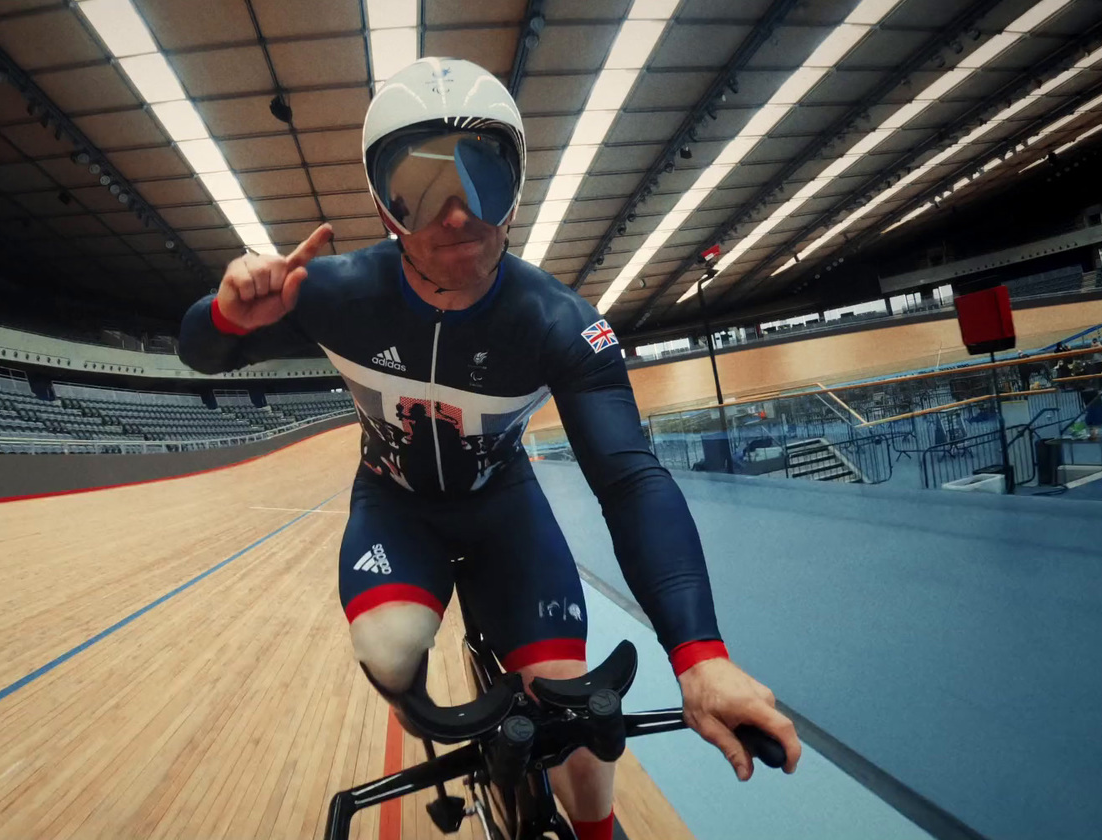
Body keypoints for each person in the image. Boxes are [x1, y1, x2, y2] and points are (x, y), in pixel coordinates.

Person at [178, 57, 799, 839]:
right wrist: (233, 312)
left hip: (506, 513)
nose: (459, 214)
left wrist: (699, 654)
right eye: (424, 188)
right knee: (391, 645)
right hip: (397, 509)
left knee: (570, 708)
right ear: (383, 204)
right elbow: (201, 350)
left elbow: (631, 481)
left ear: (517, 185)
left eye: (483, 179)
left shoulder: (562, 323)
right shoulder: (329, 293)